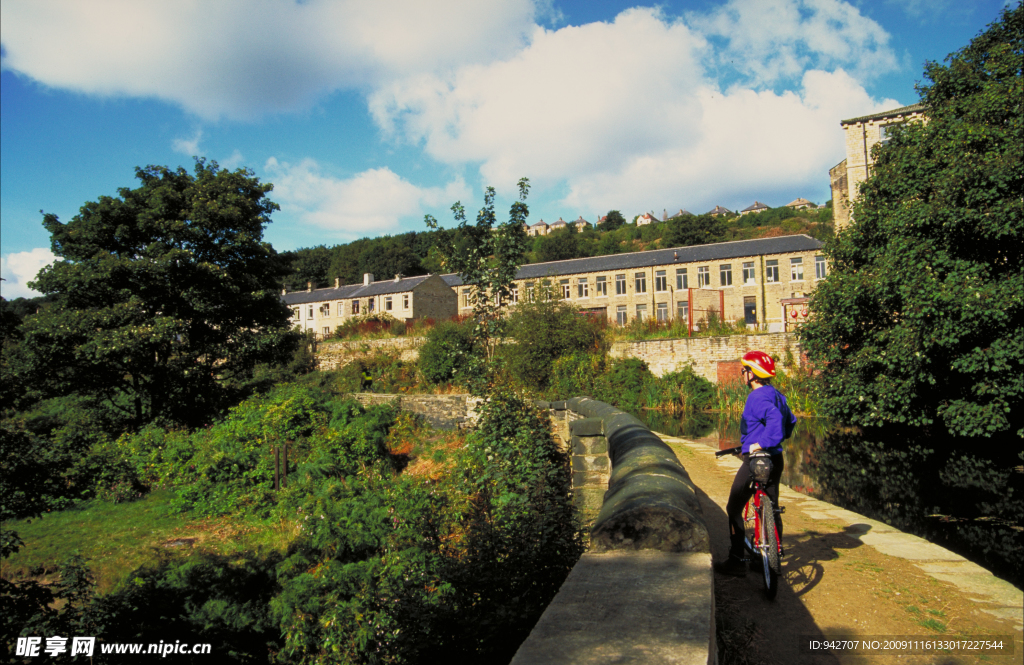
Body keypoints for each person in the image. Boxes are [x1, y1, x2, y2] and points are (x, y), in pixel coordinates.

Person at [713, 350, 796, 577]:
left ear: (753, 374)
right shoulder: (778, 395)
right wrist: (774, 441)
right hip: (775, 459)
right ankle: (771, 558)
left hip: (757, 460)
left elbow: (776, 422)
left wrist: (760, 443)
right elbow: (790, 421)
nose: (742, 374)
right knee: (772, 504)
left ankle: (737, 559)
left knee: (733, 507)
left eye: (744, 370)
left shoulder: (757, 396)